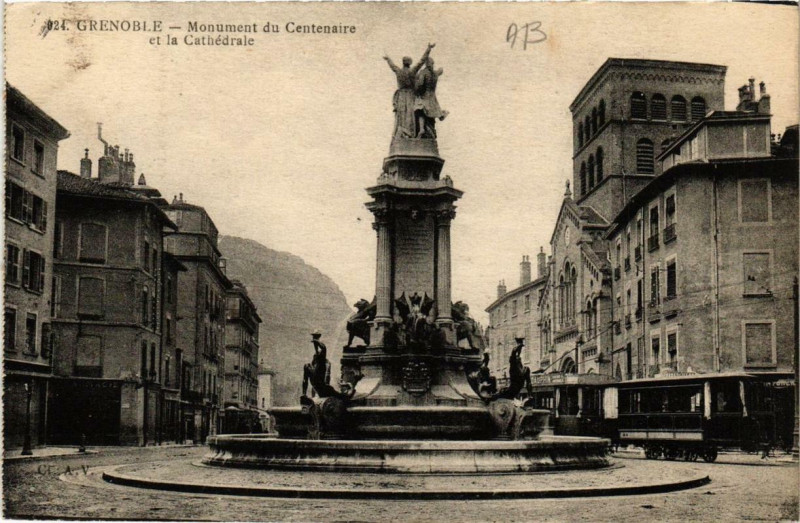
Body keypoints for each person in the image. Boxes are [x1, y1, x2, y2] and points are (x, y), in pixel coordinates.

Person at [384, 43, 434, 139]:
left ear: (403, 63)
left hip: (401, 96)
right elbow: (422, 61)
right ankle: (409, 133)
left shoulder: (398, 71)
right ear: (410, 63)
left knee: (401, 115)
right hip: (411, 95)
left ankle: (402, 133)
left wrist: (388, 59)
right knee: (410, 115)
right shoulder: (412, 71)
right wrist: (429, 49)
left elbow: (392, 65)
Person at [414, 56, 448, 138]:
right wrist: (440, 70)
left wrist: (416, 89)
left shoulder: (423, 72)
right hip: (432, 97)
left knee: (419, 111)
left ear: (426, 63)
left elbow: (420, 85)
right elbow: (440, 71)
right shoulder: (435, 73)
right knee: (431, 116)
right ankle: (441, 115)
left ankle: (422, 129)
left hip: (424, 96)